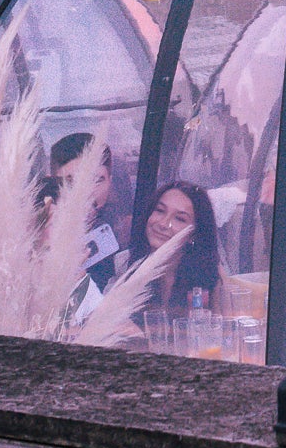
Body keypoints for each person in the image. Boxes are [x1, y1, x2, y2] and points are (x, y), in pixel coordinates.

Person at [133, 180, 222, 314]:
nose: (163, 224)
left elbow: (223, 330)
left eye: (179, 219)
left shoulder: (210, 278)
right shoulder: (127, 267)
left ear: (194, 234)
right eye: (160, 211)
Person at [49, 133, 121, 298]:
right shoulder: (38, 238)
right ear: (53, 183)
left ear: (110, 180)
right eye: (72, 182)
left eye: (96, 180)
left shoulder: (130, 231)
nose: (86, 191)